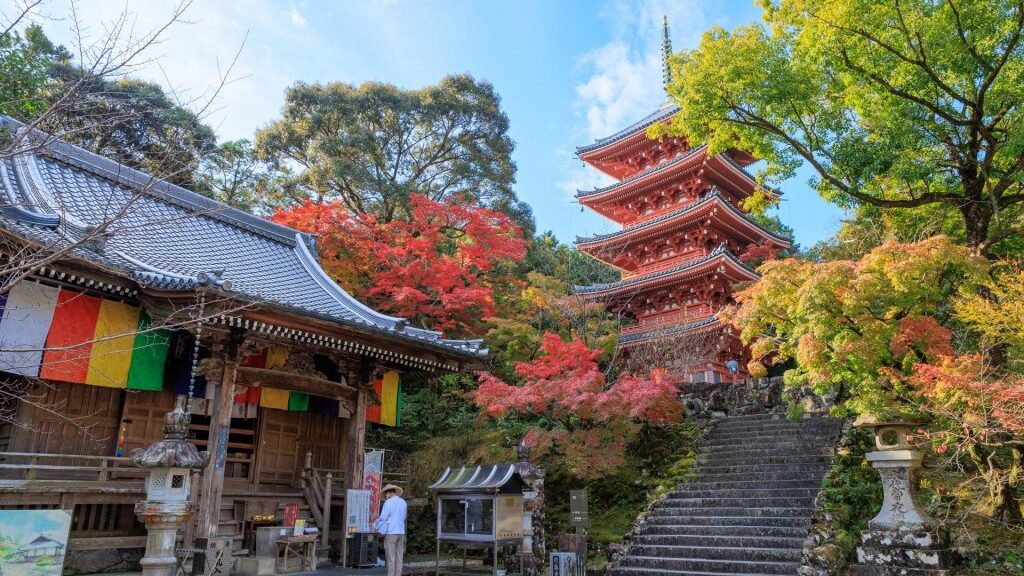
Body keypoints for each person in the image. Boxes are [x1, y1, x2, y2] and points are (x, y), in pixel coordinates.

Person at [373, 484, 407, 576]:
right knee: (399, 558)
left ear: (388, 493)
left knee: (391, 558)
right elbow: (404, 517)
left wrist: (377, 519)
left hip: (391, 532)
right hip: (401, 532)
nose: (386, 497)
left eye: (386, 494)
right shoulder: (403, 502)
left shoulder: (388, 503)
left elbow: (383, 518)